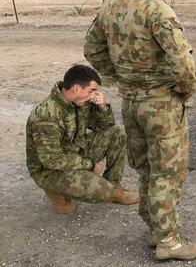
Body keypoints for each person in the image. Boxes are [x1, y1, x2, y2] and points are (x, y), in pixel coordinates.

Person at [83, 0, 196, 261]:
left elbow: (91, 49)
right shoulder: (157, 11)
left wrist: (119, 76)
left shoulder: (111, 7)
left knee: (147, 169)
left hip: (131, 102)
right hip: (161, 105)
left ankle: (155, 229)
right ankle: (170, 243)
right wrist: (185, 89)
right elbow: (184, 64)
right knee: (167, 172)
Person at [25, 64, 138, 214]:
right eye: (91, 91)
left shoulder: (80, 103)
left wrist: (102, 108)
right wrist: (89, 165)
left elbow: (106, 127)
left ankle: (113, 188)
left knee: (118, 132)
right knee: (99, 190)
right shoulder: (46, 115)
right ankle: (55, 190)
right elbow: (51, 160)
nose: (93, 95)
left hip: (75, 152)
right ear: (77, 89)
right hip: (50, 170)